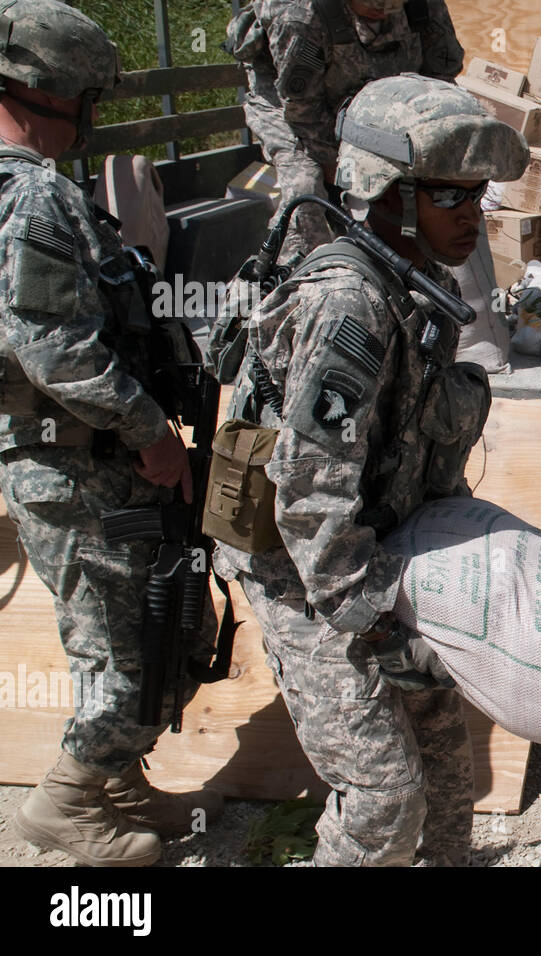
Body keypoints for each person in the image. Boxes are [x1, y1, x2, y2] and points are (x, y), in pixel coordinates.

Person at [212, 74, 528, 866]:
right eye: (451, 194)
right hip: (312, 577)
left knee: (450, 778)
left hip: (382, 557)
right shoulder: (349, 303)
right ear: (389, 192)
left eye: (477, 194)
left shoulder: (414, 286)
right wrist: (378, 616)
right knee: (385, 801)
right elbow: (310, 496)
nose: (472, 215)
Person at [0, 0, 221, 866]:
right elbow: (54, 351)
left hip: (89, 463)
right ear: (50, 92)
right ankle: (65, 805)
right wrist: (150, 434)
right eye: (90, 99)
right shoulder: (32, 197)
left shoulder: (38, 193)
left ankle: (117, 779)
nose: (93, 121)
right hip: (79, 464)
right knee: (126, 650)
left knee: (170, 626)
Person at [225, 0, 464, 258]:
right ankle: (306, 273)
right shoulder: (300, 15)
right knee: (306, 186)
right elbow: (304, 112)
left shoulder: (424, 5)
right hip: (289, 102)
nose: (382, 7)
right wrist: (344, 172)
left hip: (370, 94)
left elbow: (441, 81)